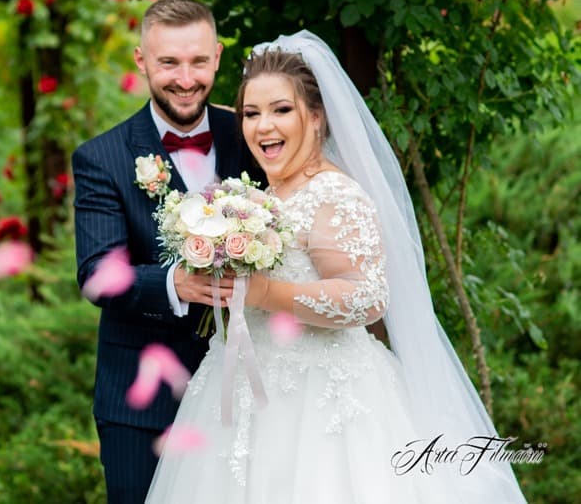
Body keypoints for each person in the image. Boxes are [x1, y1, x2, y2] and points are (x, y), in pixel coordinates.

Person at [145, 31, 527, 503]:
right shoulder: (259, 199)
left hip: (321, 402)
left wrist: (264, 293)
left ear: (316, 116)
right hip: (239, 394)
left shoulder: (334, 194)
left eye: (281, 110)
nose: (264, 126)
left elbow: (366, 297)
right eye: (251, 113)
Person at [72, 0, 261, 504]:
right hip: (141, 403)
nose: (186, 78)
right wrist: (174, 283)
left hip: (248, 391)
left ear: (217, 57)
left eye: (198, 61)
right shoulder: (102, 157)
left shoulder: (255, 136)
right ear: (141, 61)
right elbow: (96, 273)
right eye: (169, 63)